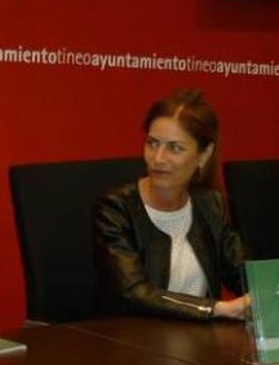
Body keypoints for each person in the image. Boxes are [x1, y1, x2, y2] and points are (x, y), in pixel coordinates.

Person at [92, 88, 249, 321]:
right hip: (137, 343)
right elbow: (133, 292)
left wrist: (273, 292)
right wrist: (214, 309)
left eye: (175, 148)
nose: (158, 158)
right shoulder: (116, 209)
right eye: (152, 143)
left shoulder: (211, 204)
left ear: (204, 155)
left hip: (202, 343)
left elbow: (243, 274)